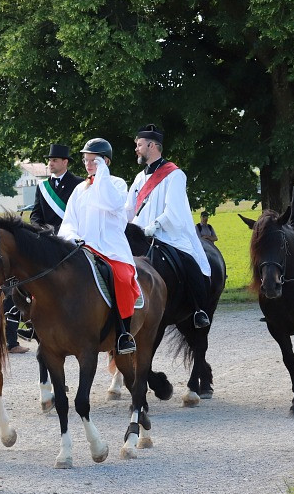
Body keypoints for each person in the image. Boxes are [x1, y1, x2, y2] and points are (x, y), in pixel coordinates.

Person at [125, 123, 211, 329]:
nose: (136, 149)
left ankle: (198, 309)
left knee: (188, 262)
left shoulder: (175, 175)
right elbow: (128, 209)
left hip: (166, 234)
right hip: (139, 233)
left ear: (152, 146)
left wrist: (152, 228)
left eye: (139, 145)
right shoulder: (139, 178)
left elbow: (173, 211)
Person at [58, 138, 139, 354]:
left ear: (106, 162)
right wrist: (73, 238)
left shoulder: (117, 184)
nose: (88, 164)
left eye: (94, 160)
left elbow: (111, 202)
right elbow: (69, 221)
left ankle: (123, 333)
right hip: (83, 247)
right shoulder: (79, 190)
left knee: (120, 278)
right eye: (86, 160)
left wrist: (101, 174)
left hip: (112, 250)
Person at [31, 143, 84, 234]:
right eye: (49, 160)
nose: (50, 164)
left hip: (70, 236)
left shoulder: (78, 183)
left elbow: (81, 213)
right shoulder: (42, 186)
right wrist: (40, 229)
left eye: (54, 160)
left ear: (65, 162)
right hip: (47, 237)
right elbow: (36, 214)